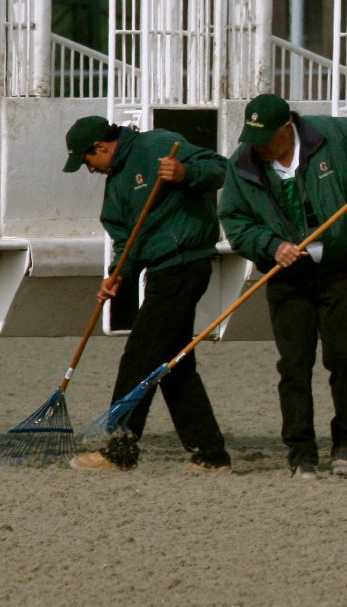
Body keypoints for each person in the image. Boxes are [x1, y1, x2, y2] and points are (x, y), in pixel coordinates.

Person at [219, 93, 347, 480]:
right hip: (286, 278)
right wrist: (272, 246)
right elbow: (235, 220)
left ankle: (346, 444)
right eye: (253, 138)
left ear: (287, 128)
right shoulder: (244, 162)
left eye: (266, 139)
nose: (258, 147)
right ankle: (301, 453)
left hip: (338, 270)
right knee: (294, 366)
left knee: (342, 357)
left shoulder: (332, 135)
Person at [61, 116, 232, 473]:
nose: (89, 170)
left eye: (87, 161)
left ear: (101, 147)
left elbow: (218, 168)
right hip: (160, 270)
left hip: (185, 263)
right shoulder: (117, 183)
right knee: (172, 366)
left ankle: (119, 450)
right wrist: (119, 274)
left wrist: (185, 173)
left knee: (140, 356)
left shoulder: (156, 145)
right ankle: (211, 455)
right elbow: (125, 238)